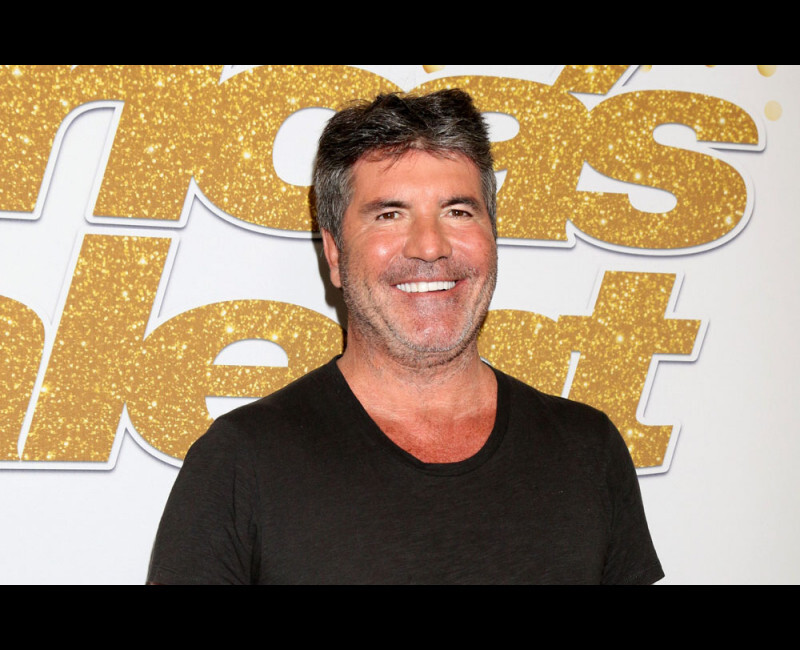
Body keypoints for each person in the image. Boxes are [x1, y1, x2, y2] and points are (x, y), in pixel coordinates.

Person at [147, 89, 664, 585]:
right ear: (334, 253)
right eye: (390, 215)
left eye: (457, 212)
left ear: (493, 235)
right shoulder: (241, 462)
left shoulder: (587, 450)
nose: (429, 246)